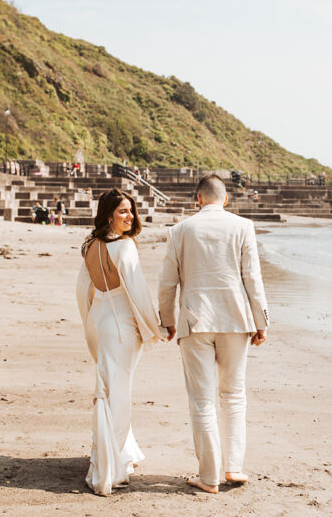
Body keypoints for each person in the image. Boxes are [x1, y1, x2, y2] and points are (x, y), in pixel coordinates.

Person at [158, 174, 269, 494]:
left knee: (202, 399)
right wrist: (261, 322)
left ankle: (208, 477)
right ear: (226, 200)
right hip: (236, 319)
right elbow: (253, 280)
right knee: (234, 395)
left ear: (198, 199)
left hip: (195, 321)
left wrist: (167, 321)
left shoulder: (179, 230)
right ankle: (234, 467)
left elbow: (167, 282)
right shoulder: (243, 227)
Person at [76, 189, 165, 495]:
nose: (130, 217)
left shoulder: (90, 245)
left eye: (131, 211)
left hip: (99, 320)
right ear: (109, 214)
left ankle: (114, 454)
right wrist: (157, 328)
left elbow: (83, 289)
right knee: (120, 393)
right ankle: (110, 467)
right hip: (120, 326)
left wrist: (89, 322)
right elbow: (138, 292)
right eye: (123, 211)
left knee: (105, 390)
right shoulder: (124, 247)